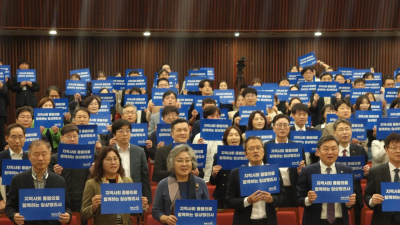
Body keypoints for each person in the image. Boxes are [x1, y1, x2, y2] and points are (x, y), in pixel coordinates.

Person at [5, 140, 72, 225]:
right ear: (29, 156)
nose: (40, 158)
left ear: (50, 155)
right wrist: (14, 216)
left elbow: (67, 206)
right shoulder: (18, 179)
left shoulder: (59, 180)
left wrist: (67, 215)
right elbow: (9, 207)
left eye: (44, 154)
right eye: (36, 154)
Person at [297, 135, 357, 225]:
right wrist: (308, 199)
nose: (330, 152)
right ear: (317, 152)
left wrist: (349, 203)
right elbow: (299, 199)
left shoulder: (347, 170)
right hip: (315, 221)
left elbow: (352, 198)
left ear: (338, 151)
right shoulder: (307, 171)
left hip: (340, 221)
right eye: (325, 149)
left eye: (334, 149)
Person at [226, 136, 285, 225]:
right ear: (245, 154)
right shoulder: (236, 173)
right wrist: (248, 201)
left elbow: (282, 196)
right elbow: (229, 200)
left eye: (258, 148)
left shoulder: (273, 171)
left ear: (263, 152)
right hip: (244, 221)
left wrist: (272, 199)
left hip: (268, 221)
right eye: (251, 148)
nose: (255, 151)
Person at [81, 146, 148, 225]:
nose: (113, 162)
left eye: (115, 159)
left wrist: (141, 206)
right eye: (108, 159)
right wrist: (93, 207)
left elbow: (133, 212)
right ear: (101, 162)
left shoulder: (127, 181)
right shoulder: (92, 183)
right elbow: (84, 214)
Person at [152, 144, 209, 225]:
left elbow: (207, 210)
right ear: (172, 163)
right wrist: (166, 219)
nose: (184, 164)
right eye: (179, 160)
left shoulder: (200, 183)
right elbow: (155, 211)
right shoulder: (163, 184)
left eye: (187, 160)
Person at [48, 124, 90, 225]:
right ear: (61, 138)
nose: (72, 139)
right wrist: (54, 173)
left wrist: (92, 172)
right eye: (68, 136)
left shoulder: (87, 155)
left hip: (82, 200)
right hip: (61, 200)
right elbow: (45, 179)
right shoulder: (53, 158)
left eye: (75, 136)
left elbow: (93, 178)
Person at [332, 119, 369, 225]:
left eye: (347, 129)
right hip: (335, 191)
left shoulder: (360, 150)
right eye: (341, 129)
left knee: (357, 220)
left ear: (351, 131)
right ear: (334, 133)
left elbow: (364, 174)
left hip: (355, 193)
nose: (344, 132)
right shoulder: (331, 150)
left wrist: (366, 173)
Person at [264, 114, 305, 207]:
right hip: (273, 190)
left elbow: (302, 173)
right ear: (273, 128)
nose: (282, 128)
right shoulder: (266, 146)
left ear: (289, 128)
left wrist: (300, 171)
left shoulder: (297, 146)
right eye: (279, 125)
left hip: (292, 189)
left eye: (285, 125)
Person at [111, 119, 152, 205]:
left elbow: (144, 177)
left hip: (134, 193)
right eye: (121, 131)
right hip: (114, 193)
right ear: (114, 135)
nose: (125, 134)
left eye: (128, 131)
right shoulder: (108, 152)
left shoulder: (139, 151)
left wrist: (148, 200)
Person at [364, 132, 400, 225]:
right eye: (394, 147)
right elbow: (367, 195)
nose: (398, 151)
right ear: (386, 150)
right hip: (382, 220)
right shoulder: (375, 172)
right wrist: (372, 200)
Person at [152, 118, 204, 183]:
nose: (183, 133)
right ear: (172, 134)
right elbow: (157, 174)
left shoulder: (195, 150)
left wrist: (198, 173)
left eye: (185, 130)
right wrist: (178, 172)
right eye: (179, 130)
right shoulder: (162, 151)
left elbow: (201, 174)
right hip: (170, 186)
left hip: (191, 186)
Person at [210, 126, 244, 209]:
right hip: (222, 197)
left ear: (240, 138)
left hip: (241, 197)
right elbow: (213, 182)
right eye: (230, 135)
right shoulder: (218, 156)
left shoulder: (246, 155)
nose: (234, 137)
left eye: (236, 135)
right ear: (225, 138)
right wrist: (214, 174)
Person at [0, 124, 29, 213]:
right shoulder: (1, 157)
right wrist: (0, 200)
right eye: (13, 137)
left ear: (25, 138)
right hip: (5, 205)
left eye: (20, 137)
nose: (17, 141)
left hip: (27, 204)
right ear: (6, 138)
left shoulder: (30, 158)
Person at [192, 106, 224, 182]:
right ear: (205, 118)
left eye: (217, 116)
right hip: (202, 177)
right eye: (212, 116)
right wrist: (198, 148)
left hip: (219, 178)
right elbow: (193, 159)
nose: (215, 118)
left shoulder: (225, 136)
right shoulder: (198, 137)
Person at [0, 72, 8, 151]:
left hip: (1, 111)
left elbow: (6, 93)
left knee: (1, 133)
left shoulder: (2, 79)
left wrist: (1, 87)